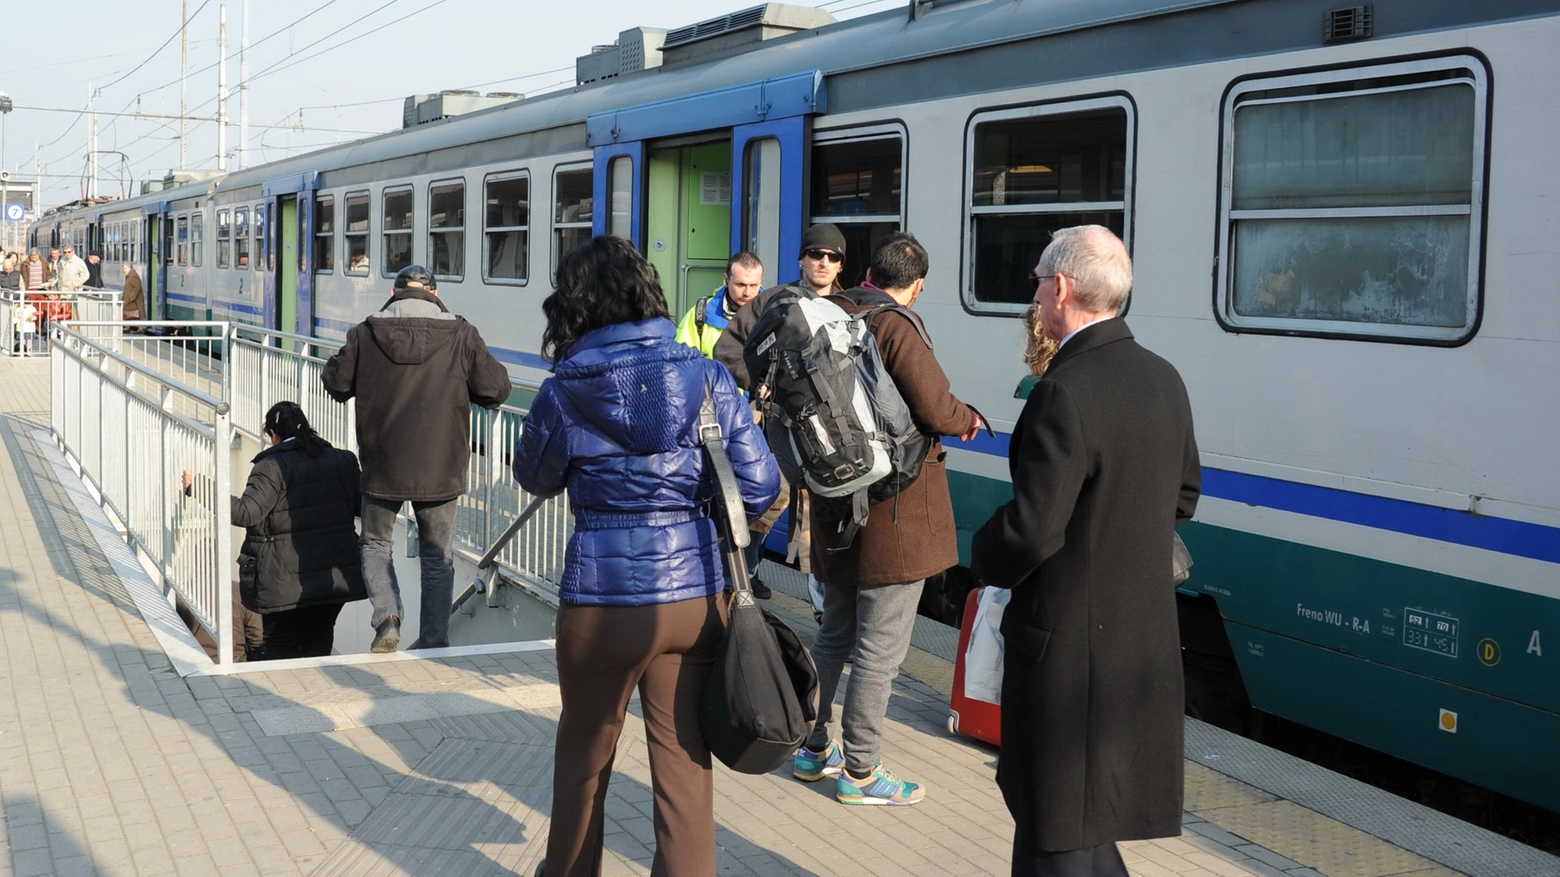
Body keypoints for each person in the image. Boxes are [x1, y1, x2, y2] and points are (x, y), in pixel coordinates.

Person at [515, 236, 779, 877]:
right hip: (693, 598)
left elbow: (534, 476)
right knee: (684, 759)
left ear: (576, 305)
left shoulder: (564, 389)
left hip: (601, 604)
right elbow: (763, 485)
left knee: (585, 753)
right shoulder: (708, 375)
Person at [971, 226, 1201, 877]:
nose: (1035, 289)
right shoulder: (1164, 378)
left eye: (1038, 277)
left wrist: (981, 550)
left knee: (1058, 825)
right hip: (1139, 643)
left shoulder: (1063, 391)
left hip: (1069, 655)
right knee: (1083, 821)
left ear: (1062, 288)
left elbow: (1033, 529)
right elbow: (1182, 496)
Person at [791, 232, 982, 806]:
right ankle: (862, 773)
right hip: (894, 517)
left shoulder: (830, 311)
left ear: (867, 271)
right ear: (916, 286)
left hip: (834, 504)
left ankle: (811, 748)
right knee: (879, 652)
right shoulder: (896, 324)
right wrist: (967, 418)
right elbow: (935, 407)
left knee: (832, 635)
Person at [321, 265, 510, 652]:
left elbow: (336, 383)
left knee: (375, 544)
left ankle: (388, 617)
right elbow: (496, 390)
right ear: (436, 295)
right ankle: (436, 643)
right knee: (437, 558)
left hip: (382, 465)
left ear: (393, 294)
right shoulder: (461, 333)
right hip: (441, 468)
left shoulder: (366, 332)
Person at [182, 402, 368, 659]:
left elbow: (247, 512)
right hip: (333, 578)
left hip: (283, 580)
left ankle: (286, 698)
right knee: (320, 639)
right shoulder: (343, 460)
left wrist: (199, 487)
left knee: (281, 647)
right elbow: (363, 507)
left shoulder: (271, 467)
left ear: (273, 433)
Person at [673, 250, 774, 598]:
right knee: (712, 496)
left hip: (755, 421)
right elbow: (681, 362)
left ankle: (749, 569)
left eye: (754, 285)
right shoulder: (700, 316)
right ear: (726, 281)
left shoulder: (771, 315)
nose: (748, 292)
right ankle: (716, 571)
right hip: (710, 423)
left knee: (762, 497)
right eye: (741, 284)